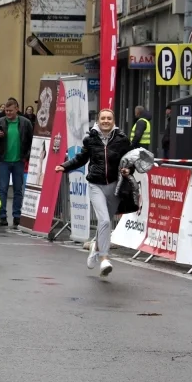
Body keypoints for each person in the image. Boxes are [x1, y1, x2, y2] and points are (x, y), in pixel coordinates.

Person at [56, 109, 133, 277]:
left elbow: (129, 159)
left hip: (115, 186)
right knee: (104, 220)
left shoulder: (122, 139)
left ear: (113, 121)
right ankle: (105, 259)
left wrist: (128, 169)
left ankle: (94, 248)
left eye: (109, 118)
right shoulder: (90, 139)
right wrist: (65, 166)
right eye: (103, 118)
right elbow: (81, 158)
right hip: (95, 185)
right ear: (98, 120)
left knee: (105, 223)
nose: (106, 121)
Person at [0, 98, 34, 229]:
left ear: (17, 109)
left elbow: (31, 140)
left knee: (18, 190)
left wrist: (26, 156)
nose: (8, 113)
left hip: (19, 161)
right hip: (3, 160)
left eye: (10, 110)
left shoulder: (25, 123)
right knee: (2, 189)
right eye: (6, 110)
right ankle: (2, 216)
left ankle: (17, 215)